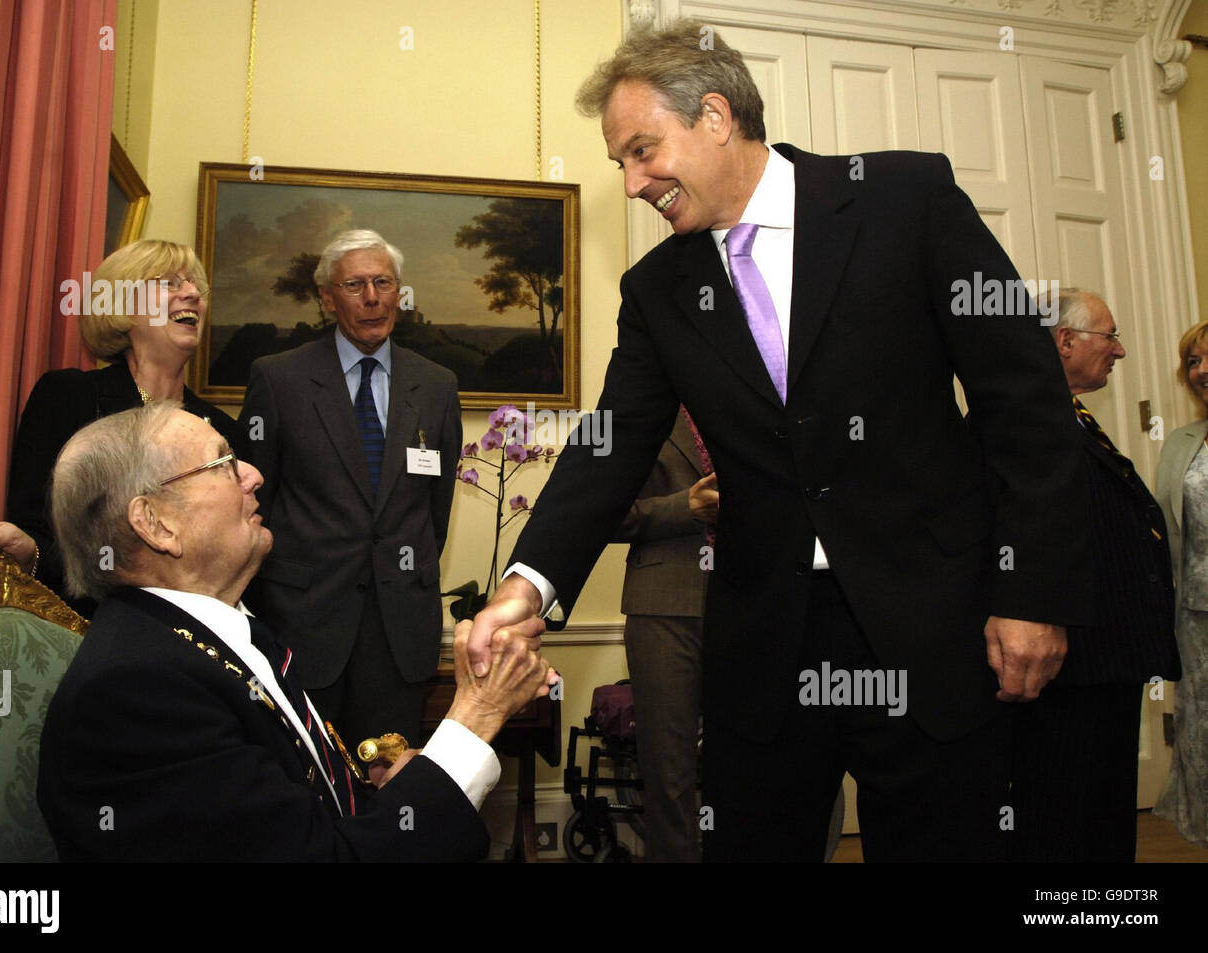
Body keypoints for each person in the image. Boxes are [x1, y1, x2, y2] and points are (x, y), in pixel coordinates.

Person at [466, 19, 1092, 861]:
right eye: (621, 161)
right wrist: (525, 587)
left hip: (935, 627)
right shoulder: (658, 289)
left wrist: (1033, 592)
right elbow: (609, 444)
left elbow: (1027, 401)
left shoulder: (905, 202)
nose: (631, 183)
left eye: (643, 151)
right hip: (767, 647)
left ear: (717, 116)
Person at [36, 402, 555, 862]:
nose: (255, 475)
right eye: (223, 463)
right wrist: (476, 716)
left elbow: (304, 824)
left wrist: (387, 800)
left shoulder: (220, 638)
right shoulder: (137, 694)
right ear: (156, 524)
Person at [0, 240, 246, 614]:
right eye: (169, 284)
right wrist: (32, 552)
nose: (191, 294)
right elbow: (39, 528)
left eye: (195, 286)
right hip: (89, 624)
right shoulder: (68, 397)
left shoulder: (226, 431)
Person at [239, 229, 462, 753]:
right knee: (305, 785)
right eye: (356, 284)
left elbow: (436, 511)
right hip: (302, 625)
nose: (372, 297)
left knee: (390, 785)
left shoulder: (436, 384)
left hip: (400, 631)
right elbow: (251, 504)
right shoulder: (278, 379)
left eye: (383, 282)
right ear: (326, 298)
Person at [1009, 289, 1178, 861]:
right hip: (1068, 665)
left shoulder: (1071, 419)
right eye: (1110, 336)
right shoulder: (1023, 418)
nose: (1121, 350)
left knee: (1101, 816)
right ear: (1065, 341)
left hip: (1104, 661)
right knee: (1064, 818)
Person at [612, 406, 711, 862]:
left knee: (760, 761)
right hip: (664, 605)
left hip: (761, 601)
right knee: (668, 772)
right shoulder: (640, 403)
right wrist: (684, 507)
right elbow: (604, 512)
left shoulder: (753, 392)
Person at [1154, 319, 1208, 849]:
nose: (1202, 370)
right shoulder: (1181, 442)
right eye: (1193, 361)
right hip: (1194, 624)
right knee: (1204, 744)